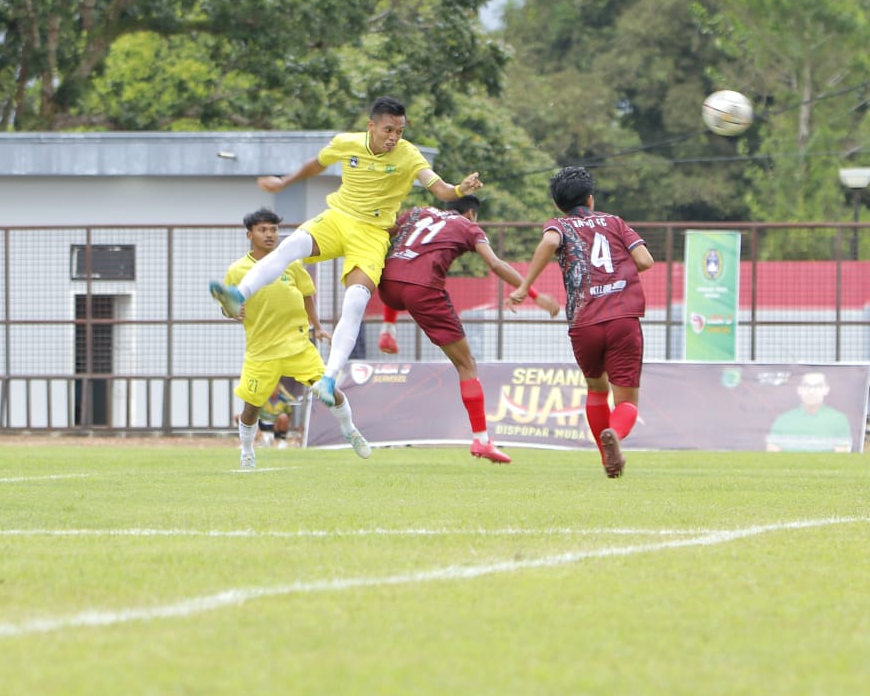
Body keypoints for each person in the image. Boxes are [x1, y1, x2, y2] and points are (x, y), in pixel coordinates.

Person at [209, 96, 483, 412]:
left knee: (355, 300)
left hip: (372, 235)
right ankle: (239, 295)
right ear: (371, 126)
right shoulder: (347, 143)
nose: (394, 137)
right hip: (337, 219)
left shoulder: (409, 156)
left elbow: (441, 190)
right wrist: (285, 182)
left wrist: (461, 189)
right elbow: (318, 163)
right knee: (289, 246)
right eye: (388, 129)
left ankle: (329, 377)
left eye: (400, 131)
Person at [380, 195, 562, 463]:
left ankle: (388, 328)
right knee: (466, 364)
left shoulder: (417, 213)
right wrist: (532, 294)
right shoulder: (468, 226)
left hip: (387, 285)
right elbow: (496, 264)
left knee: (403, 272)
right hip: (422, 289)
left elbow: (388, 229)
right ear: (471, 213)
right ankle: (482, 440)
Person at [508, 167, 654, 479]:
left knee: (595, 389)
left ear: (558, 205)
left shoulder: (559, 225)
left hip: (584, 321)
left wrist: (524, 288)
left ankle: (606, 459)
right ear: (590, 198)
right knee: (626, 401)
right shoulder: (614, 222)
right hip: (623, 317)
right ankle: (614, 433)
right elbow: (645, 260)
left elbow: (548, 243)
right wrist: (617, 278)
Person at [224, 208, 371, 468]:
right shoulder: (237, 270)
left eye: (273, 229)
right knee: (251, 407)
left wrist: (317, 326)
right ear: (250, 234)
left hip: (298, 347)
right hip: (261, 351)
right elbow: (228, 305)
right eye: (263, 230)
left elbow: (306, 295)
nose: (270, 235)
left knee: (329, 391)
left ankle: (350, 429)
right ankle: (247, 451)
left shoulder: (291, 263)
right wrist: (232, 311)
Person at [764, 371, 853, 452]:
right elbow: (772, 453)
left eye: (818, 386)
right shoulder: (783, 419)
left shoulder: (839, 419)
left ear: (826, 390)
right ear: (799, 390)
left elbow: (842, 454)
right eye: (806, 386)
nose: (811, 391)